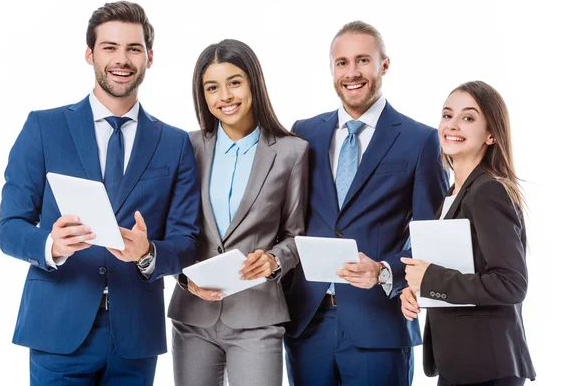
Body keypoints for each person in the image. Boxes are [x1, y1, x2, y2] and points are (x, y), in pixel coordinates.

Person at [0, 1, 200, 385]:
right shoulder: (43, 128)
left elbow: (187, 241)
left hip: (135, 335)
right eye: (109, 47)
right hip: (57, 329)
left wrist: (148, 253)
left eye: (133, 49)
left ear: (149, 58)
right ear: (90, 53)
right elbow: (8, 227)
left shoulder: (175, 144)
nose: (121, 60)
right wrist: (50, 246)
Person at [282, 20, 449, 386]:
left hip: (379, 322)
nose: (351, 72)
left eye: (362, 61)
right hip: (309, 322)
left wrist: (385, 272)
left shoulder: (421, 141)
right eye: (341, 62)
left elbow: (430, 239)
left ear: (384, 65)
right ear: (332, 69)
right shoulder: (303, 132)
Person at [167, 39, 309, 386]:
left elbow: (296, 234)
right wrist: (183, 278)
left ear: (253, 84)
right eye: (212, 87)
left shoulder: (292, 152)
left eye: (234, 82)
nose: (225, 96)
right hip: (193, 315)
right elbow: (172, 231)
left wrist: (275, 260)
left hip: (257, 312)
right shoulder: (187, 146)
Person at [400, 81, 536, 386]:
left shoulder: (488, 191)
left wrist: (430, 279)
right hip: (461, 363)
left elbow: (511, 284)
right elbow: (464, 271)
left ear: (491, 135)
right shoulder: (454, 194)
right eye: (447, 115)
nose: (453, 124)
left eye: (468, 118)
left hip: (487, 367)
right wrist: (420, 291)